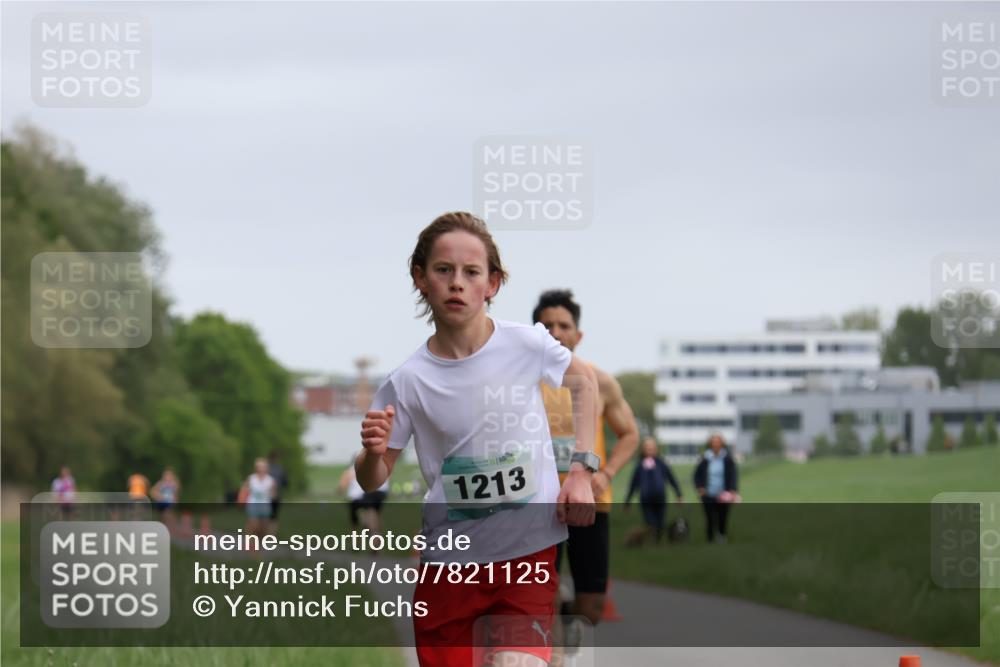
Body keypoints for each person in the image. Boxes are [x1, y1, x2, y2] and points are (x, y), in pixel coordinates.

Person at [356, 211, 598, 667]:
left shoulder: (527, 344)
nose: (457, 283)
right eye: (443, 270)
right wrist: (371, 453)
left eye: (471, 272)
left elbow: (583, 382)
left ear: (493, 284)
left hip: (526, 556)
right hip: (449, 567)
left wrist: (582, 470)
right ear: (420, 278)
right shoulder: (407, 381)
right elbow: (373, 478)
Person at [533, 289, 640, 631]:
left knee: (591, 608)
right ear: (535, 331)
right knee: (539, 598)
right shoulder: (522, 382)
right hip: (540, 503)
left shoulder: (600, 381)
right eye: (547, 325)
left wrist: (606, 474)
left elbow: (631, 435)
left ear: (578, 335)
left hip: (590, 501)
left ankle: (566, 621)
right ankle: (552, 650)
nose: (555, 332)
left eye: (564, 325)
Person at [624, 437, 683, 542]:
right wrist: (627, 501)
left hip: (660, 497)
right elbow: (633, 484)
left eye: (652, 447)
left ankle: (658, 540)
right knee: (650, 522)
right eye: (647, 447)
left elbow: (671, 478)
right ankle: (650, 537)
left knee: (661, 522)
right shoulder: (639, 466)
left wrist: (678, 494)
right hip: (646, 498)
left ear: (656, 449)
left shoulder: (662, 464)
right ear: (643, 449)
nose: (650, 449)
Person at [693, 434, 739, 544]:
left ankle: (722, 536)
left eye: (718, 443)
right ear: (710, 445)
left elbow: (733, 475)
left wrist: (733, 489)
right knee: (710, 517)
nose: (716, 445)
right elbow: (696, 475)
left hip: (724, 494)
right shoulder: (705, 459)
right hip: (708, 494)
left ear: (722, 445)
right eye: (713, 443)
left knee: (722, 517)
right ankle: (710, 538)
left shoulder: (727, 459)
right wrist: (700, 487)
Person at [240, 458, 276, 538]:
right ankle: (250, 541)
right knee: (253, 524)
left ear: (267, 468)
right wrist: (242, 499)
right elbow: (244, 490)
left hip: (265, 505)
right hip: (253, 504)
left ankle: (259, 540)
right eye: (259, 466)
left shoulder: (270, 480)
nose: (261, 468)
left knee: (263, 527)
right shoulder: (251, 478)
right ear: (256, 468)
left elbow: (274, 495)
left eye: (263, 466)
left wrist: (272, 497)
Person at [267, 451, 289, 527]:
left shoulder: (279, 468)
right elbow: (285, 482)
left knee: (273, 516)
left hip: (276, 495)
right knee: (271, 516)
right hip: (267, 496)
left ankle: (270, 534)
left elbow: (285, 482)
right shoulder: (270, 468)